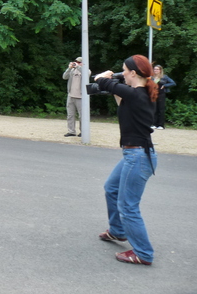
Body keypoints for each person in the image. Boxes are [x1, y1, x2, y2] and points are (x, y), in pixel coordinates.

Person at [94, 55, 158, 266]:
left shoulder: (138, 94)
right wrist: (116, 83)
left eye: (123, 70)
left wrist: (105, 76)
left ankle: (143, 253)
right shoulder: (136, 95)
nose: (122, 73)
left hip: (138, 156)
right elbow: (120, 100)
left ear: (132, 72)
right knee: (111, 188)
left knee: (128, 206)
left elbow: (101, 81)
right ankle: (117, 231)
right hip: (136, 155)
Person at [62, 57, 91, 137]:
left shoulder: (87, 71)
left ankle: (83, 131)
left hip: (81, 97)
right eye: (76, 62)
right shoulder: (72, 70)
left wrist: (78, 67)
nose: (76, 63)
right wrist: (69, 68)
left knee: (82, 115)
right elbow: (64, 77)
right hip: (71, 95)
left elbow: (86, 75)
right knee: (70, 115)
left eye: (78, 62)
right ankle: (71, 131)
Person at [152, 65, 176, 130]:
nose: (155, 70)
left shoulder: (164, 77)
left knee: (160, 109)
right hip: (154, 94)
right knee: (154, 109)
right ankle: (154, 124)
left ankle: (161, 125)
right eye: (154, 69)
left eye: (157, 69)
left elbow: (173, 83)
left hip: (161, 94)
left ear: (160, 70)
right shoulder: (152, 77)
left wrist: (165, 85)